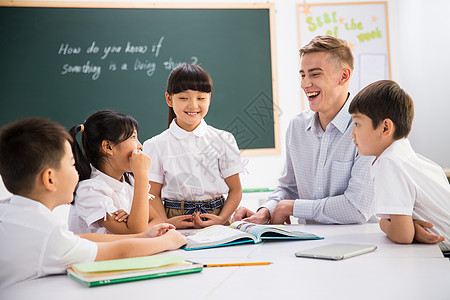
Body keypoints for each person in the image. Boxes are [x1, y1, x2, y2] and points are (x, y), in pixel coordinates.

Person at [0, 118, 186, 289]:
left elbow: (81, 239)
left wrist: (144, 236)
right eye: (72, 164)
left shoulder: (12, 211)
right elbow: (120, 252)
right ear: (50, 178)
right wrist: (166, 241)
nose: (78, 170)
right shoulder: (48, 232)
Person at [233, 35, 375, 225]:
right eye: (302, 75)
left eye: (315, 74)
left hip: (360, 246)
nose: (305, 84)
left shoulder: (368, 128)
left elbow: (357, 208)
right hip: (307, 241)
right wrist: (266, 210)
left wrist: (292, 207)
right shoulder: (297, 127)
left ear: (344, 76)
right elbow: (289, 187)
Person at [349, 80, 450, 254]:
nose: (352, 133)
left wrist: (382, 223)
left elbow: (403, 235)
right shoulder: (412, 159)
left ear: (385, 127)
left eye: (357, 124)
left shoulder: (389, 163)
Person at [143, 64, 243, 229]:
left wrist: (221, 218)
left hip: (217, 216)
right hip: (173, 218)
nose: (193, 105)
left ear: (209, 98)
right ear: (169, 99)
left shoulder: (224, 139)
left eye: (201, 98)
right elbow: (151, 194)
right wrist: (165, 223)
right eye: (183, 98)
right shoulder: (155, 145)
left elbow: (236, 190)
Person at [68, 110, 163, 234]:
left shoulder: (128, 180)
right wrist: (142, 175)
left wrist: (134, 220)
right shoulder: (90, 189)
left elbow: (157, 220)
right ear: (108, 147)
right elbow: (136, 232)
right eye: (133, 137)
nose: (140, 145)